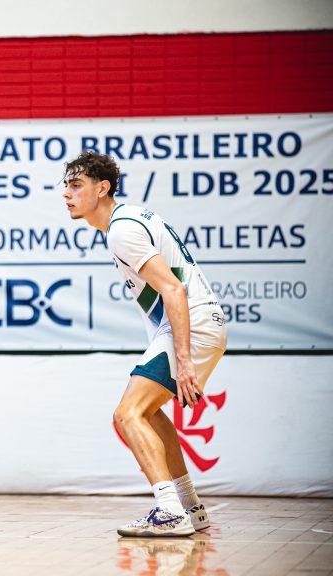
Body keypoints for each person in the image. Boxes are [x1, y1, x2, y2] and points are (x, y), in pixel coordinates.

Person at [61, 151, 227, 537]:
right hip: (201, 324)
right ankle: (190, 508)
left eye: (76, 185)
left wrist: (184, 360)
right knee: (148, 413)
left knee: (127, 414)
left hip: (193, 326)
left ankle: (169, 511)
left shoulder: (122, 230)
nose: (67, 194)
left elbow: (174, 290)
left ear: (102, 189)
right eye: (66, 186)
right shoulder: (130, 219)